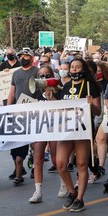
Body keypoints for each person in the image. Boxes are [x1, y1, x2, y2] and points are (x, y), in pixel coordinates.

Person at [56, 58, 101, 212]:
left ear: (83, 69)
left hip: (83, 130)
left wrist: (90, 105)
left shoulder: (91, 87)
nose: (74, 70)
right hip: (67, 130)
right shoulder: (66, 86)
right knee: (60, 163)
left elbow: (98, 111)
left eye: (77, 67)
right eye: (72, 67)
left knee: (82, 164)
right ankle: (72, 192)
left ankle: (80, 199)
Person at [28, 65, 60, 203]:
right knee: (38, 158)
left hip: (55, 128)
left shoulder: (58, 91)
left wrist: (51, 97)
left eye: (46, 75)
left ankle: (64, 185)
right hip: (40, 128)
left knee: (56, 159)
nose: (43, 77)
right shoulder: (34, 91)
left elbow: (62, 108)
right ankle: (38, 191)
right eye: (40, 75)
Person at [7, 48, 39, 185]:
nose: (23, 58)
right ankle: (19, 171)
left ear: (32, 58)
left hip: (34, 110)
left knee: (34, 142)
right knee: (19, 141)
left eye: (26, 56)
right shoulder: (16, 73)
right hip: (19, 111)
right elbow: (12, 92)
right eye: (21, 56)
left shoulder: (37, 72)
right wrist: (8, 108)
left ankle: (34, 165)